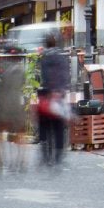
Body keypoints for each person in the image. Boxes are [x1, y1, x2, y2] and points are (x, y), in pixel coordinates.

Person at [37, 33, 72, 167]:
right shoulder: (61, 57)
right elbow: (65, 75)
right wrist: (62, 90)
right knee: (58, 126)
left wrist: (48, 90)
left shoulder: (45, 58)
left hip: (47, 94)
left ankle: (46, 154)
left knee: (45, 127)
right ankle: (58, 155)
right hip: (59, 94)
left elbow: (44, 76)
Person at [0, 56, 28, 174]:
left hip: (4, 106)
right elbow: (23, 85)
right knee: (20, 134)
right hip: (17, 104)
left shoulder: (2, 70)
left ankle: (0, 160)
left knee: (0, 134)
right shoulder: (22, 71)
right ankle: (22, 160)